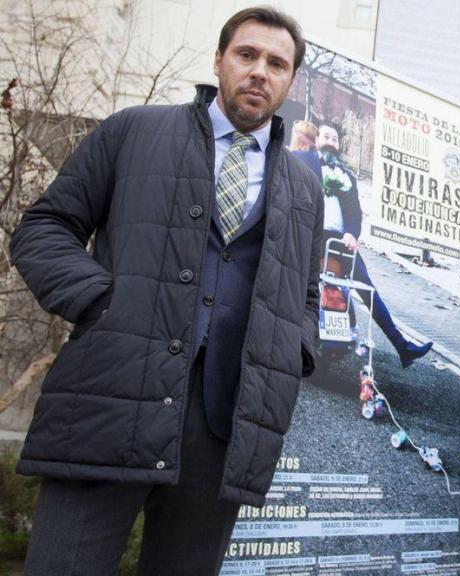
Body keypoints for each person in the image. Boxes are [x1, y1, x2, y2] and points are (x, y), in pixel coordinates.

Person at [9, 7, 324, 574]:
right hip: (108, 400)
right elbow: (43, 229)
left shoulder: (305, 187)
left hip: (222, 427)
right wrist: (101, 302)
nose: (259, 72)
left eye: (276, 63)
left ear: (290, 82)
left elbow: (305, 293)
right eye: (246, 55)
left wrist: (293, 347)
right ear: (219, 61)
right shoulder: (133, 129)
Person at [292, 124, 433, 368]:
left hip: (339, 241)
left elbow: (355, 214)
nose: (330, 141)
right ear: (317, 140)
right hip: (310, 236)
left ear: (339, 145)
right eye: (326, 136)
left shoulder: (347, 176)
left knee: (368, 289)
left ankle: (403, 347)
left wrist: (352, 234)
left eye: (334, 138)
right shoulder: (304, 160)